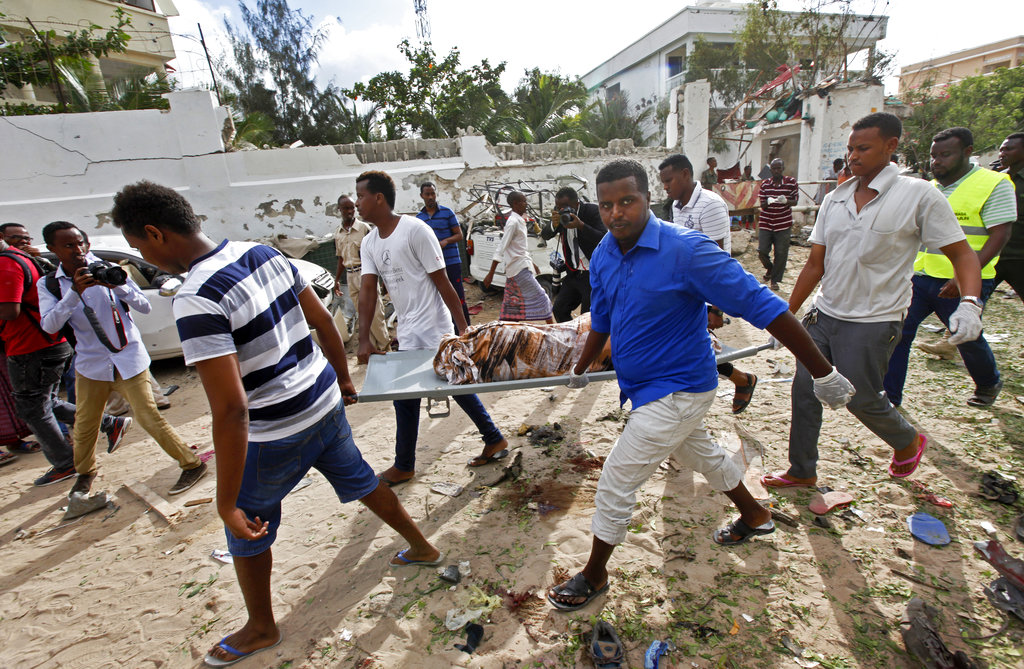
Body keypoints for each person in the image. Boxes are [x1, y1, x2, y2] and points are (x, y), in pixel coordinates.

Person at [110, 180, 442, 667]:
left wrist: (224, 503)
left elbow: (231, 409)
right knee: (362, 480)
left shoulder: (197, 296)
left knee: (246, 524)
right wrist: (344, 382)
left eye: (137, 246)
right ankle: (422, 547)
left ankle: (262, 628)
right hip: (322, 401)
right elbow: (325, 323)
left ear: (155, 234)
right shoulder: (262, 253)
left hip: (275, 428)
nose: (141, 257)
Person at [546, 159, 854, 611]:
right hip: (644, 386)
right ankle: (755, 514)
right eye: (607, 205)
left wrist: (823, 371)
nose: (617, 214)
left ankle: (594, 574)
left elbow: (761, 304)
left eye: (627, 201)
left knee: (615, 480)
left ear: (650, 199)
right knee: (703, 454)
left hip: (681, 388)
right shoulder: (607, 253)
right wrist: (582, 366)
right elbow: (605, 316)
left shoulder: (685, 250)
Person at [761, 112, 983, 490]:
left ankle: (906, 440)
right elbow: (815, 264)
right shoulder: (836, 198)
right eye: (850, 149)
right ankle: (802, 469)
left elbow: (962, 253)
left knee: (859, 398)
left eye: (863, 148)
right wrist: (785, 316)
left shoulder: (918, 195)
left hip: (874, 319)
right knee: (805, 389)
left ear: (890, 146)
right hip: (825, 313)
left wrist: (970, 302)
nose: (853, 157)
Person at [355, 170, 509, 485]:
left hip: (435, 327)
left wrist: (463, 329)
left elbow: (446, 283)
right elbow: (368, 291)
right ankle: (493, 438)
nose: (357, 203)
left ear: (379, 198)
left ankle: (405, 463)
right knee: (448, 386)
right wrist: (362, 340)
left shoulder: (415, 231)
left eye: (360, 196)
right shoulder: (369, 242)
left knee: (411, 395)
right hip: (407, 329)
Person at [38, 221, 207, 496]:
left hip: (128, 358)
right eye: (68, 245)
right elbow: (49, 325)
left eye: (80, 243)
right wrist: (73, 294)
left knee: (149, 416)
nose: (77, 250)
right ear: (52, 249)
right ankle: (85, 473)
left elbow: (143, 304)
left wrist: (116, 286)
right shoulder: (49, 284)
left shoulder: (110, 271)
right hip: (91, 364)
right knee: (85, 423)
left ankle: (191, 464)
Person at [883, 128, 1015, 408]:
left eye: (945, 155)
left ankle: (988, 382)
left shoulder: (994, 184)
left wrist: (966, 276)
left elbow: (1000, 235)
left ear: (967, 152)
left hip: (965, 279)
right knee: (898, 332)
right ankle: (890, 396)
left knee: (964, 335)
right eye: (933, 156)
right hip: (921, 276)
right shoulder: (929, 188)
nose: (937, 162)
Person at [0, 231, 128, 486]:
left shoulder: (7, 263)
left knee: (33, 408)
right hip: (41, 343)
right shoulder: (17, 258)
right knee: (44, 402)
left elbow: (10, 310)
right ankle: (109, 423)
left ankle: (65, 463)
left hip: (31, 346)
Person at [659, 153, 758, 413]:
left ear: (685, 174)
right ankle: (740, 379)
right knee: (689, 346)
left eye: (669, 180)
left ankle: (740, 380)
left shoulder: (710, 205)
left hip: (707, 291)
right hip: (688, 291)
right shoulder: (677, 207)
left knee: (696, 347)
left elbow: (717, 261)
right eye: (663, 182)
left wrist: (715, 307)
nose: (665, 187)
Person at [483, 191, 554, 323]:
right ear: (515, 204)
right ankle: (554, 330)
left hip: (519, 267)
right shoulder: (513, 222)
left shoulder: (519, 220)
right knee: (543, 298)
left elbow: (520, 249)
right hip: (518, 269)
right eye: (524, 201)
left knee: (512, 306)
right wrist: (491, 273)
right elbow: (501, 247)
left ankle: (506, 333)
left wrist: (532, 263)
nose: (526, 204)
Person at [332, 194, 390, 353]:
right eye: (346, 208)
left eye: (352, 208)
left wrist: (384, 278)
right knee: (363, 317)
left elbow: (377, 254)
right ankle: (372, 351)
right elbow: (340, 259)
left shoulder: (365, 229)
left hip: (366, 274)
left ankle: (386, 348)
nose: (350, 211)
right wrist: (337, 280)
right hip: (350, 277)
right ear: (339, 209)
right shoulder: (338, 233)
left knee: (376, 315)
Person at [540, 187, 606, 322]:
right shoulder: (561, 216)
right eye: (559, 207)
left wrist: (581, 225)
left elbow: (603, 238)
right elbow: (545, 235)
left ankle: (586, 341)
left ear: (576, 204)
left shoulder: (591, 211)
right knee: (559, 309)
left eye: (565, 206)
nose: (562, 210)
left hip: (592, 274)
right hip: (573, 272)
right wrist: (553, 224)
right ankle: (573, 338)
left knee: (587, 318)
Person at [416, 182, 471, 325]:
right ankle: (448, 331)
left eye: (433, 193)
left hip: (451, 262)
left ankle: (466, 331)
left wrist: (445, 242)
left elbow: (459, 235)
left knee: (459, 298)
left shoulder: (447, 213)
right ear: (421, 196)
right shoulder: (419, 219)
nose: (430, 197)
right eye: (427, 194)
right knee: (438, 300)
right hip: (432, 266)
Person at [757, 159, 798, 291]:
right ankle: (770, 267)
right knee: (762, 250)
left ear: (783, 168)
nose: (776, 171)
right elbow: (762, 204)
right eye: (774, 168)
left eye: (779, 168)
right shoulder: (765, 184)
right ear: (771, 170)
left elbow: (795, 201)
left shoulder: (791, 183)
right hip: (766, 222)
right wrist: (767, 202)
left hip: (783, 223)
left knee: (781, 253)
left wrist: (786, 201)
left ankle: (775, 279)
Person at [992, 133, 1024, 302]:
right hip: (995, 255)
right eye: (1001, 149)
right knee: (971, 304)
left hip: (1020, 258)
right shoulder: (996, 179)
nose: (1002, 153)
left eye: (1009, 149)